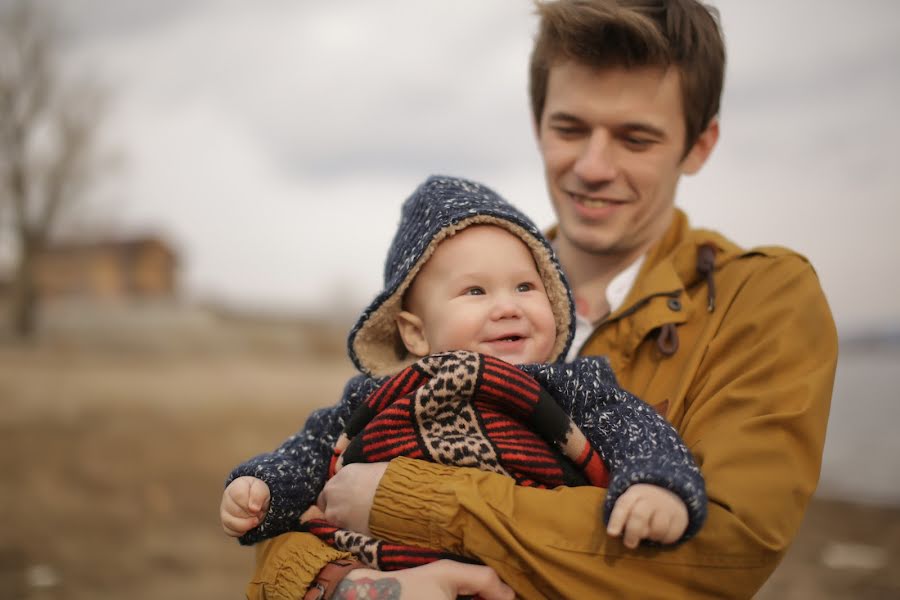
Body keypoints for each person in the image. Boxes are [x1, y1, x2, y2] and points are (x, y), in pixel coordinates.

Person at [246, 1, 839, 598]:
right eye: (569, 128)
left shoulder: (763, 296)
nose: (593, 166)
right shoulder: (442, 290)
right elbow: (301, 518)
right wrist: (355, 588)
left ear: (699, 144)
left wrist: (409, 500)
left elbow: (722, 553)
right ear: (537, 123)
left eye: (636, 137)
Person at [221, 175, 708, 598]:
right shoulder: (379, 395)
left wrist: (657, 485)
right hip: (388, 570)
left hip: (525, 572)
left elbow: (640, 433)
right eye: (476, 291)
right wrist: (263, 488)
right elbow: (310, 452)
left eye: (525, 287)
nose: (507, 306)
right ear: (415, 333)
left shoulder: (573, 387)